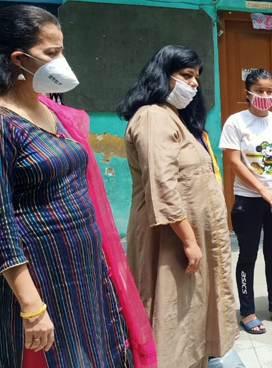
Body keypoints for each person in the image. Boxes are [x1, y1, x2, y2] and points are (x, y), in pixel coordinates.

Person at [0, 6, 156, 367]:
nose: (62, 61)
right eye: (51, 53)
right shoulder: (5, 123)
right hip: (42, 275)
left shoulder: (52, 111)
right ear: (18, 59)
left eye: (62, 50)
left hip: (84, 268)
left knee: (95, 350)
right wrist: (31, 306)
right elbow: (2, 224)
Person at [118, 45, 238, 367]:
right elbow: (163, 183)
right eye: (186, 76)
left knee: (192, 305)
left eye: (197, 77)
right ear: (162, 75)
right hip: (172, 238)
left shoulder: (174, 118)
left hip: (191, 237)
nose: (194, 84)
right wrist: (188, 240)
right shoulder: (152, 117)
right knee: (171, 308)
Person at [218, 69, 272, 331]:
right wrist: (264, 191)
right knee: (248, 256)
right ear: (248, 93)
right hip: (248, 200)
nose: (265, 95)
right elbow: (233, 162)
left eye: (269, 91)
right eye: (259, 90)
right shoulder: (235, 122)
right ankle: (248, 311)